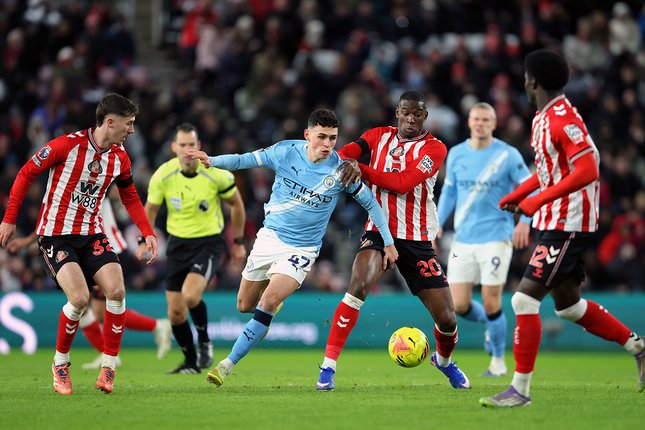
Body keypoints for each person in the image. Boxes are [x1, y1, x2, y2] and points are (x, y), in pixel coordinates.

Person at [479, 49, 645, 408]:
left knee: (523, 299)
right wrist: (519, 194)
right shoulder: (544, 118)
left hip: (569, 222)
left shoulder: (562, 118)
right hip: (554, 219)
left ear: (532, 81)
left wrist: (537, 201)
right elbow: (551, 171)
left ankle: (520, 391)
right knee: (569, 307)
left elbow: (588, 169)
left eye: (526, 77)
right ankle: (639, 347)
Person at [187, 108, 398, 387]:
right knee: (244, 305)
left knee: (267, 303)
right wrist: (212, 160)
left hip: (302, 249)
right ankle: (269, 310)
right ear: (307, 134)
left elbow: (372, 204)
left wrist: (389, 243)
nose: (327, 144)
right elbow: (244, 159)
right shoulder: (285, 151)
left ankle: (226, 365)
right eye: (321, 137)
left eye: (332, 138)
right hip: (269, 238)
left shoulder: (341, 170)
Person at [0, 93, 158, 395]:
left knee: (117, 291)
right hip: (55, 236)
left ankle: (108, 368)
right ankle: (60, 363)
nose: (132, 130)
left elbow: (129, 196)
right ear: (110, 122)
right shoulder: (66, 146)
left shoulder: (120, 157)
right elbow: (25, 173)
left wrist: (146, 231)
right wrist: (9, 218)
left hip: (92, 234)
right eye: (128, 123)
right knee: (80, 299)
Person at [316, 90, 470, 391]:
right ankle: (327, 368)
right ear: (397, 113)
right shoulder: (376, 136)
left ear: (425, 117)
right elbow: (344, 154)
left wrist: (361, 169)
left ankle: (443, 361)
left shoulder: (435, 149)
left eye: (417, 114)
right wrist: (343, 161)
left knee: (447, 319)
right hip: (379, 231)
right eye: (406, 112)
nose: (411, 118)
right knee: (357, 287)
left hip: (417, 240)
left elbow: (402, 183)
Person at [6, 198, 173, 369]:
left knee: (96, 307)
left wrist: (31, 240)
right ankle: (111, 351)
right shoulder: (71, 190)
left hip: (100, 250)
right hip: (84, 247)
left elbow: (122, 196)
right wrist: (29, 241)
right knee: (89, 307)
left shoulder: (90, 189)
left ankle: (147, 332)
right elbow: (53, 217)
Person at [135, 122, 247, 374]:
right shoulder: (163, 175)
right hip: (177, 245)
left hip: (209, 243)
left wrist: (238, 243)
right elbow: (150, 209)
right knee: (175, 313)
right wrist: (144, 240)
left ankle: (205, 342)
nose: (187, 150)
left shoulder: (215, 173)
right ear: (173, 147)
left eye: (192, 145)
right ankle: (190, 362)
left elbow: (237, 205)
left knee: (190, 295)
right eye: (183, 145)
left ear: (199, 146)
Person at [436, 102, 532, 377]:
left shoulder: (507, 155)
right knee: (458, 305)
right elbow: (449, 193)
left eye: (486, 120)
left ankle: (498, 362)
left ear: (494, 123)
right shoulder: (457, 153)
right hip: (463, 239)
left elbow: (531, 188)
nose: (480, 124)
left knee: (491, 302)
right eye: (476, 119)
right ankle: (493, 327)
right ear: (469, 122)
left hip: (496, 237)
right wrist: (437, 224)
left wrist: (524, 222)